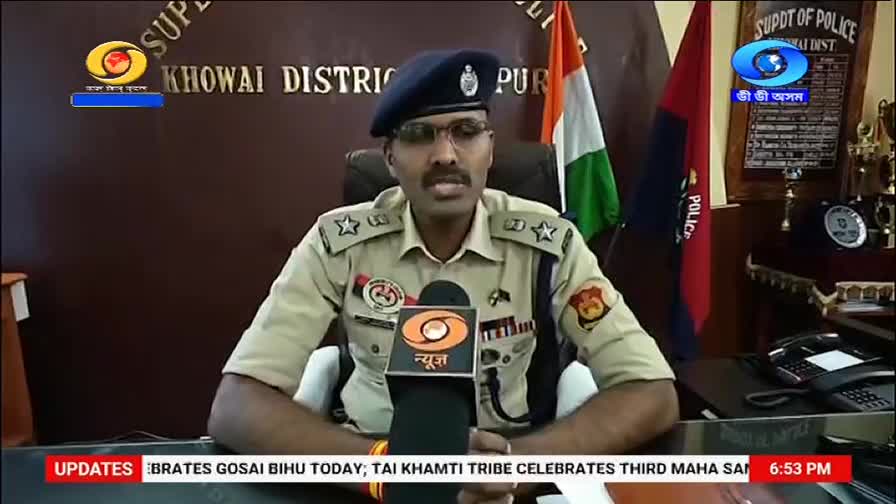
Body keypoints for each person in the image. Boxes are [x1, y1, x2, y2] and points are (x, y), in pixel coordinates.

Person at [208, 48, 679, 503]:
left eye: (466, 130)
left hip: (511, 471)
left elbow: (651, 390)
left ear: (490, 149)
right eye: (419, 134)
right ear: (390, 158)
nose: (445, 155)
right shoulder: (338, 242)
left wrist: (515, 468)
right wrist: (385, 471)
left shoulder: (548, 241)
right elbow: (236, 406)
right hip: (372, 467)